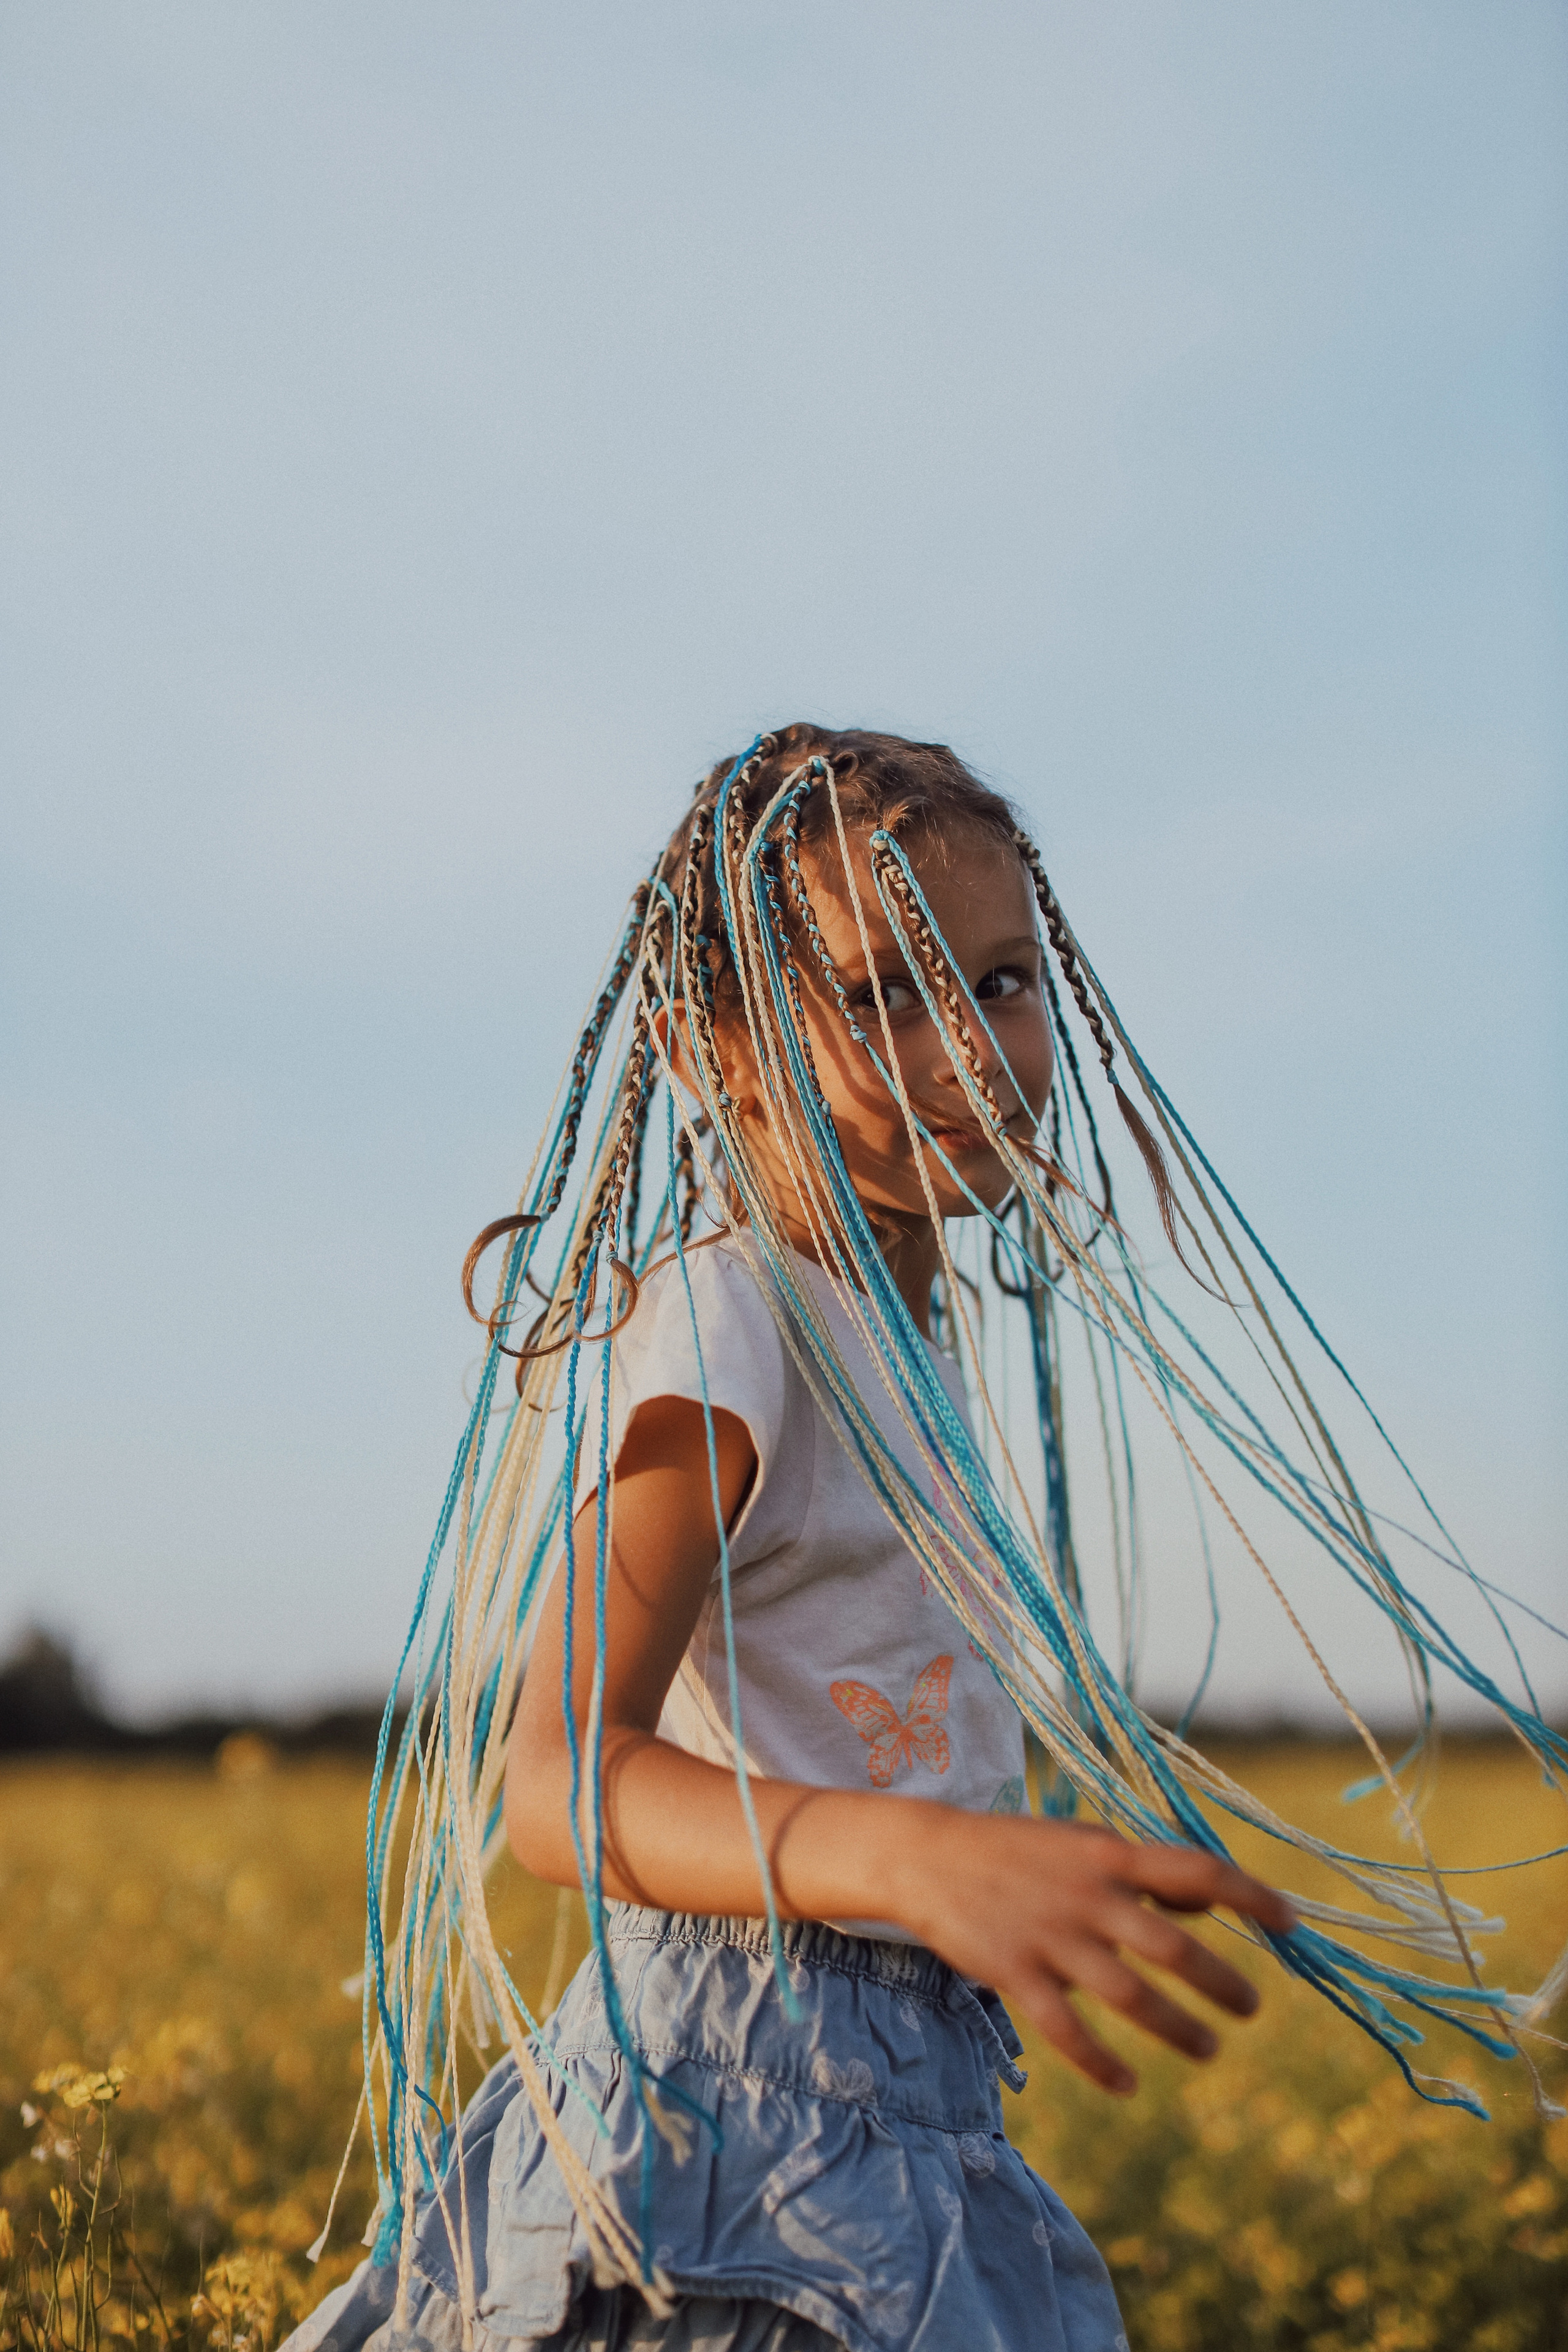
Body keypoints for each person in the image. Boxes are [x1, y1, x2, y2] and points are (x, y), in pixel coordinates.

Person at [290, 727, 1559, 2352]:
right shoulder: (730, 1322)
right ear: (710, 1049)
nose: (971, 1044)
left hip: (901, 2122)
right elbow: (554, 1780)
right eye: (887, 994)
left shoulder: (904, 1340)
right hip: (746, 2130)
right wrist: (916, 1859)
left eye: (1006, 980)